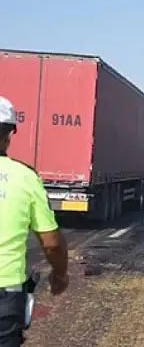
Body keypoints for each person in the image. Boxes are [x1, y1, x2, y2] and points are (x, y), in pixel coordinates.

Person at [0, 97, 69, 345]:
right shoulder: (25, 177)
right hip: (5, 296)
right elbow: (51, 242)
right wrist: (60, 275)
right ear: (9, 134)